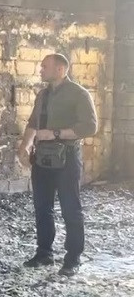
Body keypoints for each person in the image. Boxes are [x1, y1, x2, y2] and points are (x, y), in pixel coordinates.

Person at [17, 53, 97, 276]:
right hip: (42, 159)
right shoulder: (43, 94)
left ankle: (73, 258)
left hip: (67, 158)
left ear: (61, 69)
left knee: (71, 208)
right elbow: (33, 123)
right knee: (42, 208)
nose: (40, 70)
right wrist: (24, 146)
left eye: (45, 67)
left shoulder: (79, 94)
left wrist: (54, 133)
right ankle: (44, 253)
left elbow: (90, 127)